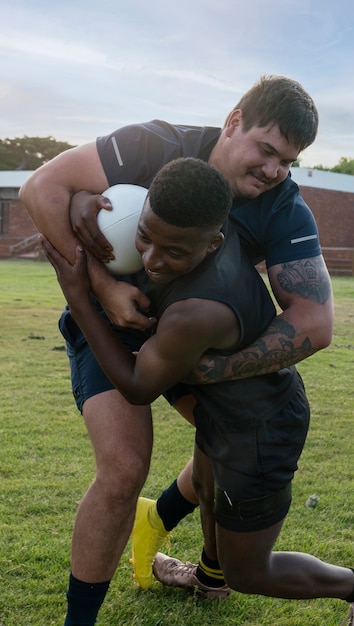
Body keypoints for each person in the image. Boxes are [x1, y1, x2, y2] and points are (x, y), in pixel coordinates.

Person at [20, 75, 334, 624]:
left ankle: (204, 569)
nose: (273, 170)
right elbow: (40, 188)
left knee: (224, 441)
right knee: (123, 467)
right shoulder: (155, 144)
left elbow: (314, 320)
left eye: (288, 160)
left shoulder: (283, 206)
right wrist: (104, 288)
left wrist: (214, 369)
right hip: (108, 324)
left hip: (185, 335)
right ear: (234, 121)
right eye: (265, 149)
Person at [43, 157, 354, 626]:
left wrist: (78, 296)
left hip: (259, 433)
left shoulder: (197, 311)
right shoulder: (204, 232)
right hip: (236, 413)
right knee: (209, 492)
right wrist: (87, 201)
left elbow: (135, 387)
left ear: (213, 242)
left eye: (172, 251)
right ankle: (203, 574)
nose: (152, 261)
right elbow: (70, 195)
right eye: (146, 237)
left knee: (251, 571)